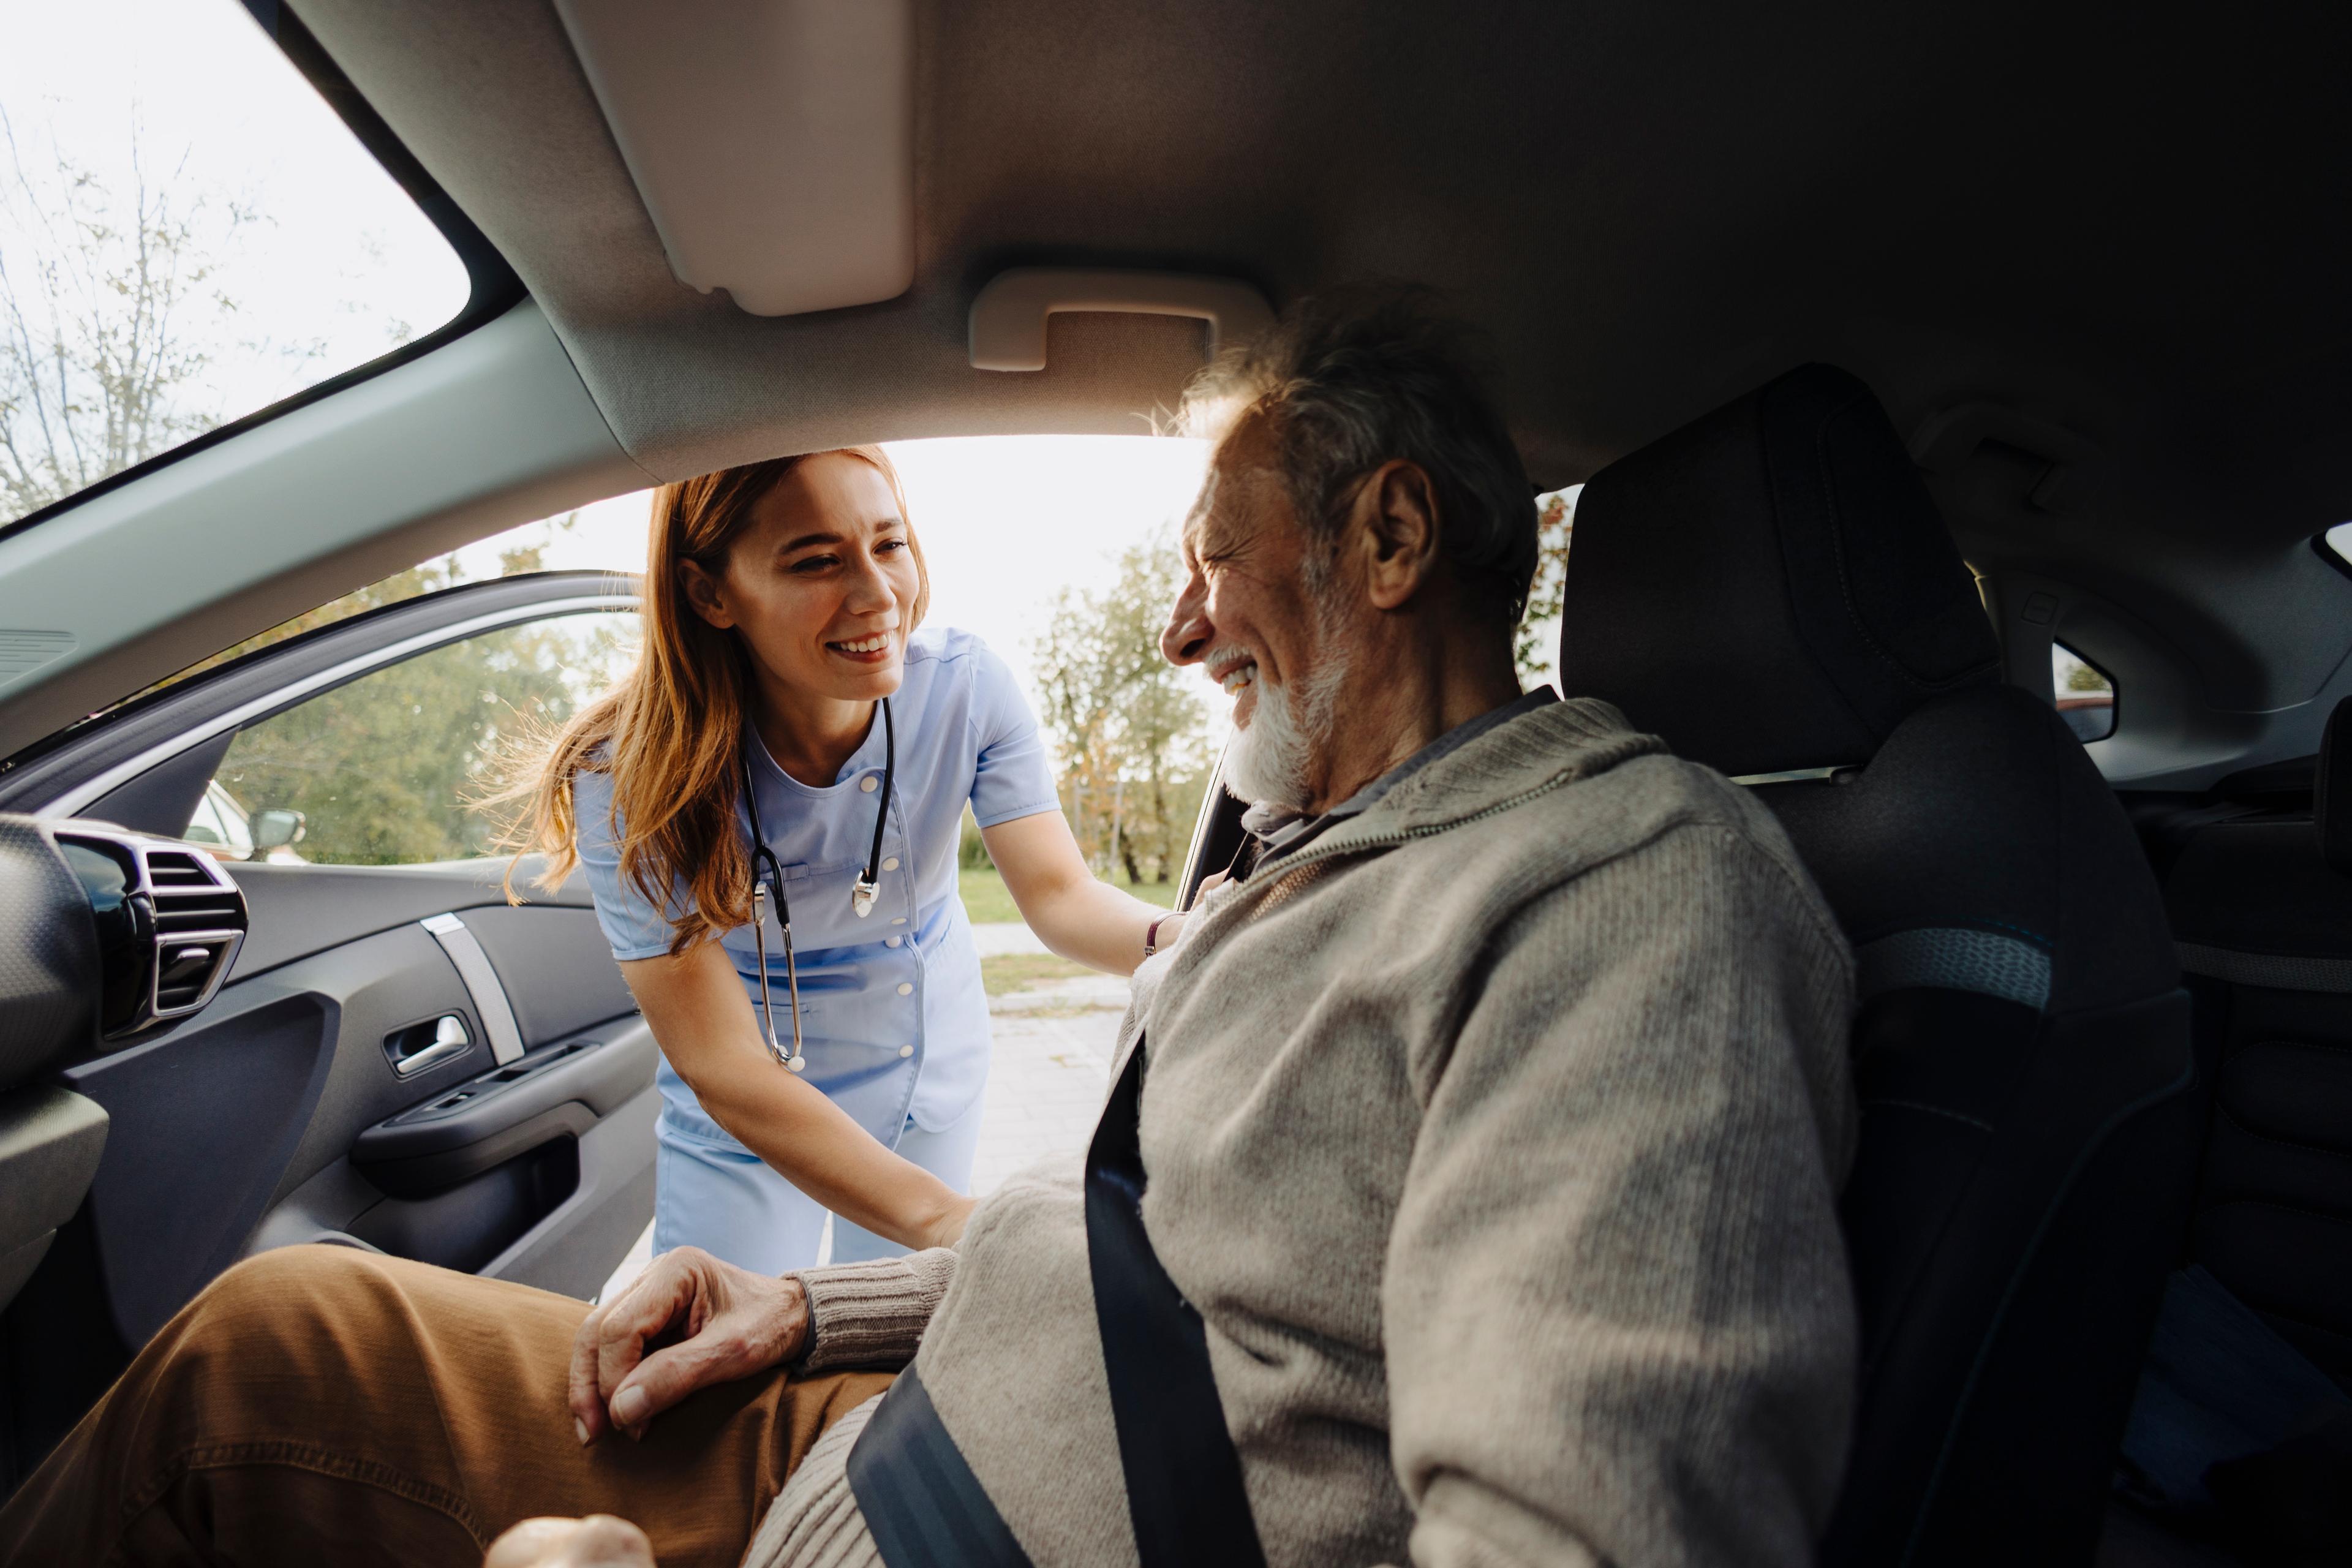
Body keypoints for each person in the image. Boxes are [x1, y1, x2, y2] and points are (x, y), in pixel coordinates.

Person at [0, 291, 1860, 1568]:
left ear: (1387, 541)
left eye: (1211, 560)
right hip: (903, 1410)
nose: (1177, 629)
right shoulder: (1347, 858)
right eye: (814, 558)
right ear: (715, 597)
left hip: (975, 1508)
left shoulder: (1623, 896)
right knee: (277, 1335)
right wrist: (817, 1306)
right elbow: (1179, 1262)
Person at [513, 447, 1186, 1273]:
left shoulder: (967, 688)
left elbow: (1060, 897)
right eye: (816, 561)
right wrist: (953, 1222)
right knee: (717, 1336)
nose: (877, 595)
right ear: (710, 593)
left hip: (928, 1072)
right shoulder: (625, 774)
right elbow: (723, 1063)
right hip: (750, 1107)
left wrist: (1182, 938)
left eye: (889, 544)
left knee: (897, 1329)